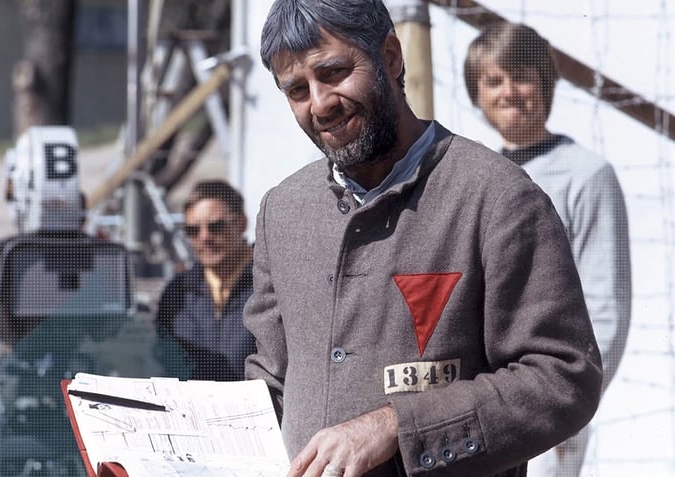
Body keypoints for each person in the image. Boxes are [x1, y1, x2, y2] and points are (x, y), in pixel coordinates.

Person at [243, 1, 604, 476]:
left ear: (390, 57)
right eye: (296, 89)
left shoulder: (497, 198)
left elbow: (563, 377)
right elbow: (269, 381)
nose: (320, 103)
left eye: (333, 72)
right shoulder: (283, 211)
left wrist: (398, 427)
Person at [464, 22, 632, 477]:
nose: (510, 92)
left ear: (545, 83)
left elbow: (606, 309)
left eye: (522, 77)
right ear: (476, 93)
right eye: (494, 81)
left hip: (547, 405)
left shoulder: (587, 175)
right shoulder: (473, 177)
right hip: (475, 407)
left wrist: (568, 405)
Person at [155, 180, 255, 381]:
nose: (204, 237)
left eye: (215, 227)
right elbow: (162, 361)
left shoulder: (271, 287)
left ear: (241, 223)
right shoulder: (176, 293)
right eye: (192, 230)